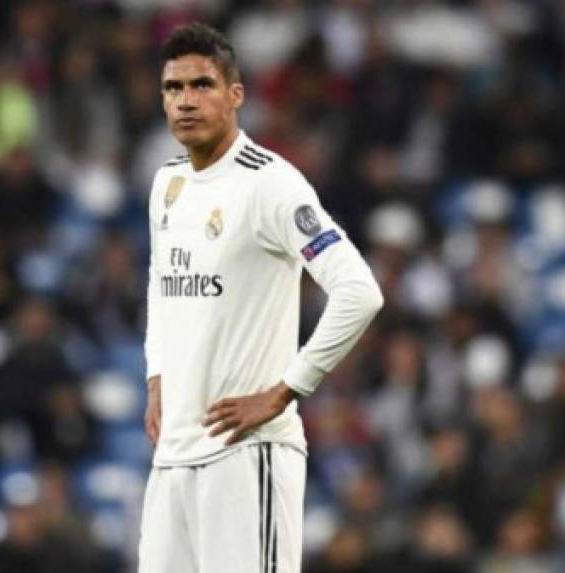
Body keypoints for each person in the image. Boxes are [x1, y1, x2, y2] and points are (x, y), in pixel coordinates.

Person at [139, 23, 384, 573]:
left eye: (201, 85)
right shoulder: (167, 185)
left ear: (235, 95)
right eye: (173, 88)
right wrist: (157, 373)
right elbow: (162, 281)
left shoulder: (270, 184)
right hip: (173, 458)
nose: (185, 101)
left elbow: (359, 291)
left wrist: (286, 390)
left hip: (247, 455)